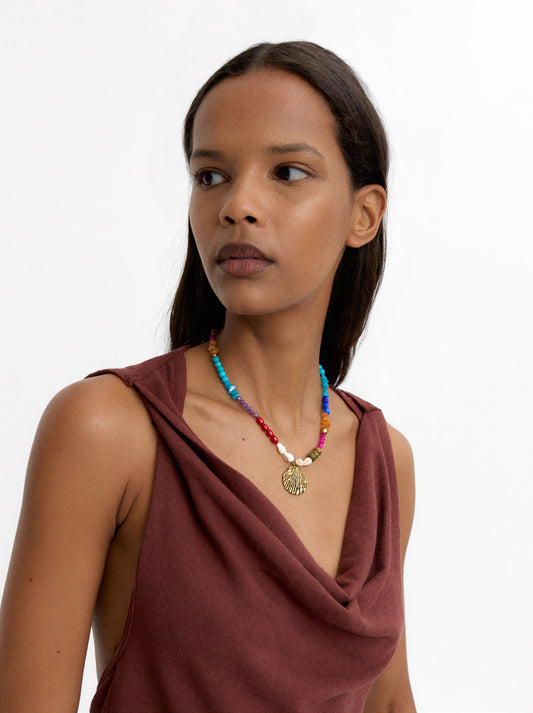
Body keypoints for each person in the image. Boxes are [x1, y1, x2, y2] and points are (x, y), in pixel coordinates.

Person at [0, 41, 416, 712]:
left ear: (363, 215)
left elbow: (389, 703)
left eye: (287, 172)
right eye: (211, 175)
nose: (236, 205)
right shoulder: (107, 429)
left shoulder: (383, 459)